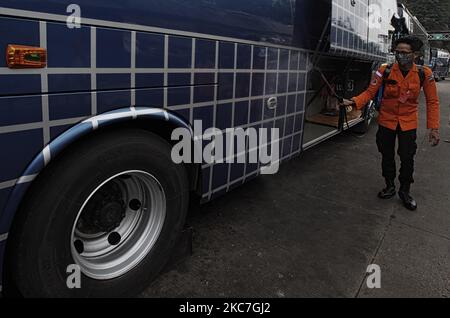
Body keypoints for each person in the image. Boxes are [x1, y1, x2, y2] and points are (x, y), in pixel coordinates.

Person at [341, 36, 440, 211]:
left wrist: (434, 128)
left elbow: (432, 101)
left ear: (414, 55)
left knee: (407, 157)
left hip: (408, 123)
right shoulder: (384, 70)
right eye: (397, 52)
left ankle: (405, 191)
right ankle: (389, 186)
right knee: (386, 155)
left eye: (404, 53)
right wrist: (354, 101)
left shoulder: (425, 73)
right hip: (387, 121)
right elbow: (370, 92)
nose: (400, 56)